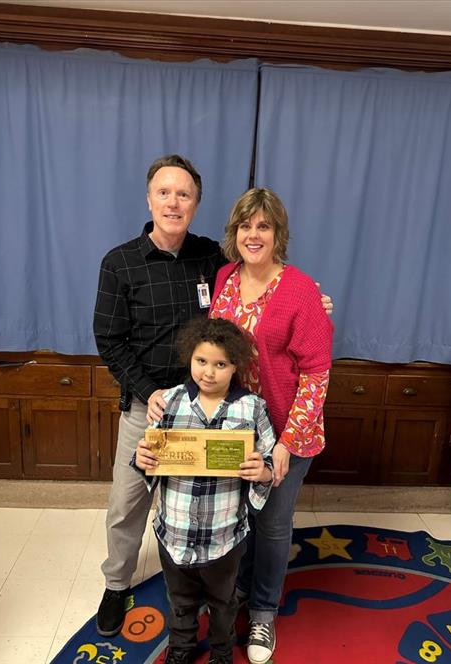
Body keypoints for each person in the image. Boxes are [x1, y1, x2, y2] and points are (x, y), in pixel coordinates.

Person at [93, 154, 333, 638]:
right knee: (151, 506)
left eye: (184, 194)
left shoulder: (248, 274)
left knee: (251, 518)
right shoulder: (147, 267)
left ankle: (251, 607)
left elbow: (310, 363)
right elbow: (110, 340)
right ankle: (134, 586)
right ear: (149, 198)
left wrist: (316, 302)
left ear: (196, 204)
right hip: (180, 411)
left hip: (257, 424)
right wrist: (152, 391)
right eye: (164, 192)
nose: (173, 202)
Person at [209, 187, 334, 664]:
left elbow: (317, 375)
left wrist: (286, 444)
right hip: (236, 427)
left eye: (263, 226)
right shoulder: (224, 278)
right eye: (245, 225)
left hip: (287, 431)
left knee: (273, 522)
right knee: (242, 516)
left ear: (278, 233)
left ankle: (264, 610)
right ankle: (240, 589)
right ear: (234, 232)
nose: (253, 234)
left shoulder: (301, 290)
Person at [133, 316, 276, 664]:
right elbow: (148, 455)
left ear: (235, 366)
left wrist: (263, 471)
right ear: (190, 358)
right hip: (175, 531)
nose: (208, 373)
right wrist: (143, 460)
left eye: (220, 364)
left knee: (223, 601)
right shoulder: (170, 402)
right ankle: (180, 648)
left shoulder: (252, 407)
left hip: (224, 534)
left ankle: (222, 651)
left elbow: (269, 457)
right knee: (180, 600)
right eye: (201, 361)